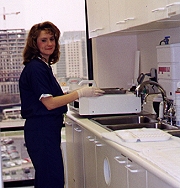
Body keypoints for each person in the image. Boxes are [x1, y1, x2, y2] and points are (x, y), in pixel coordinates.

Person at [19, 21, 104, 188]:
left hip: (45, 130)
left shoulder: (43, 66)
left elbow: (49, 99)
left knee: (49, 179)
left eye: (52, 39)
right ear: (34, 43)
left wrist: (70, 94)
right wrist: (79, 93)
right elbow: (49, 104)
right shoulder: (36, 68)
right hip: (42, 131)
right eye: (44, 40)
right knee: (52, 180)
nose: (49, 43)